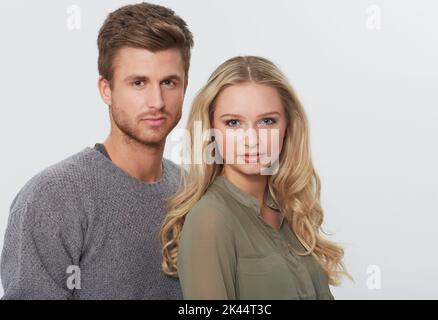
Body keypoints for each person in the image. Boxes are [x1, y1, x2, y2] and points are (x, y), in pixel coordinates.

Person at [1, 3, 193, 299]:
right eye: (138, 83)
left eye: (168, 82)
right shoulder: (53, 196)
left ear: (185, 87)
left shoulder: (190, 190)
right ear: (106, 89)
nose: (156, 101)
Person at [160, 56, 352, 299]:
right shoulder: (210, 219)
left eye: (267, 121)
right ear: (211, 129)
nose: (251, 139)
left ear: (288, 126)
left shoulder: (292, 210)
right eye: (233, 123)